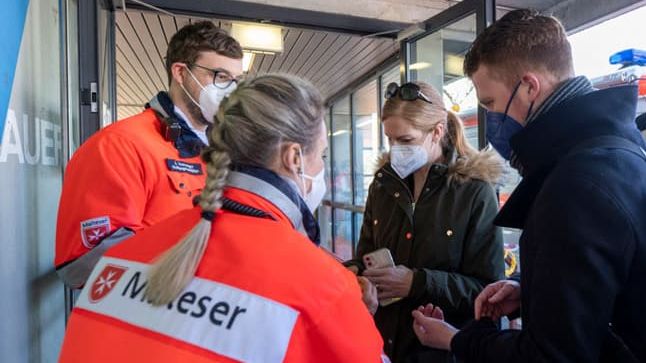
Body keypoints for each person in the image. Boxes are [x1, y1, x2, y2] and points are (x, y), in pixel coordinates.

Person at [58, 74, 389, 362]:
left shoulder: (122, 258)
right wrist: (348, 319)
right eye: (323, 156)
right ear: (294, 158)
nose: (323, 168)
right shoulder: (325, 287)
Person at [411, 9, 646, 362]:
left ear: (530, 87)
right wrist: (529, 287)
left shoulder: (575, 184)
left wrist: (458, 341)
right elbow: (612, 278)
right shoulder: (616, 152)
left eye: (490, 103)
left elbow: (550, 355)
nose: (491, 121)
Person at [55, 21, 244, 288]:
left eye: (237, 81)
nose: (230, 90)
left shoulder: (223, 150)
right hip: (148, 313)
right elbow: (84, 262)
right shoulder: (120, 144)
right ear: (180, 72)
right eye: (220, 77)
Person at [345, 81, 505, 363]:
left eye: (405, 141)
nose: (395, 149)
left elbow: (488, 290)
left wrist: (417, 283)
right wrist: (356, 279)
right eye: (389, 139)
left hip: (440, 353)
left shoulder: (474, 192)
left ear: (437, 132)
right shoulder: (382, 186)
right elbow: (363, 256)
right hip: (381, 344)